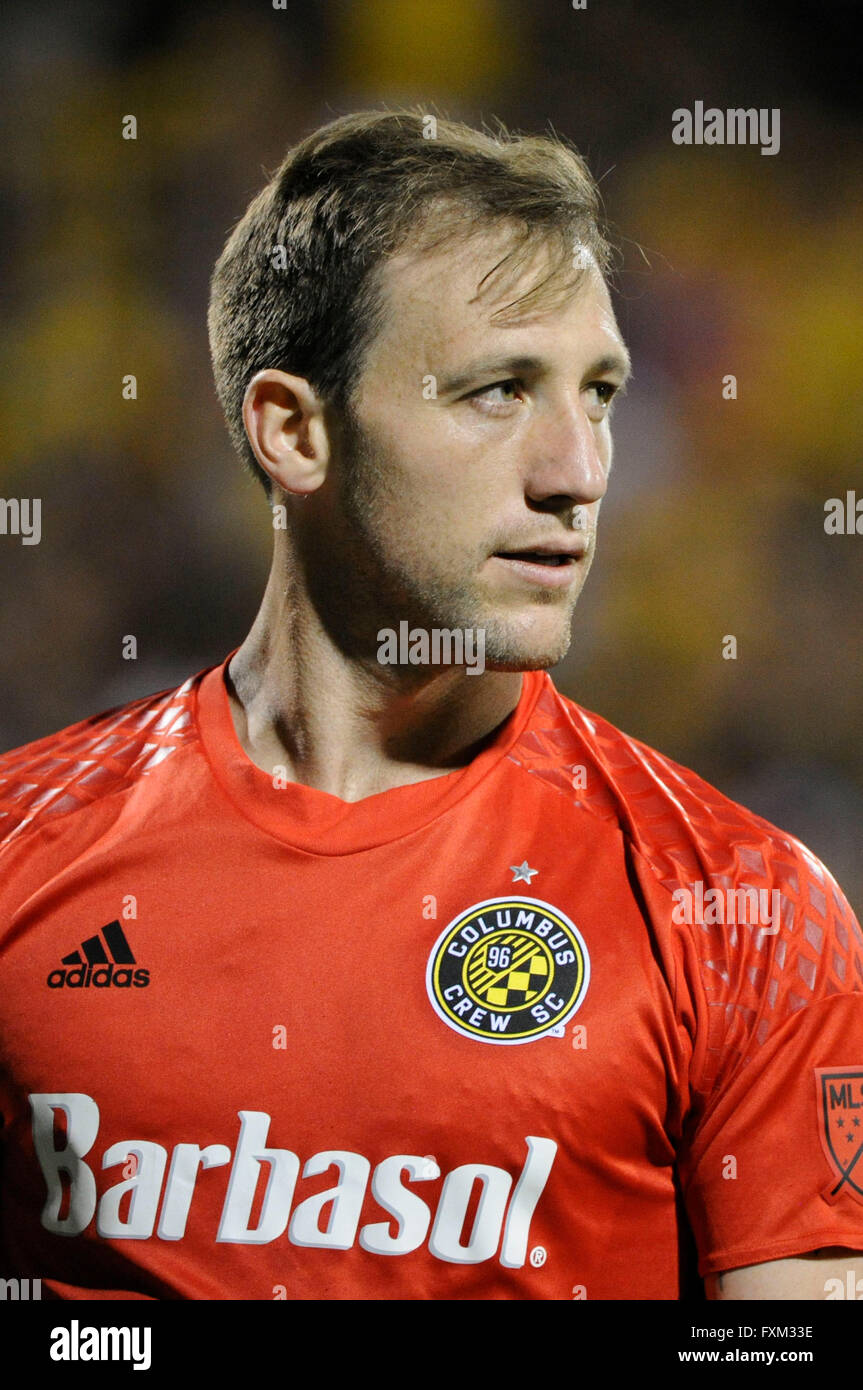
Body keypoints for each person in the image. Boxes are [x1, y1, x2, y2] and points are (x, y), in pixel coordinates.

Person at [1, 109, 861, 1302]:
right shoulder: (22, 850)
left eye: (599, 391)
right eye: (498, 389)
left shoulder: (743, 911)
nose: (578, 471)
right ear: (294, 431)